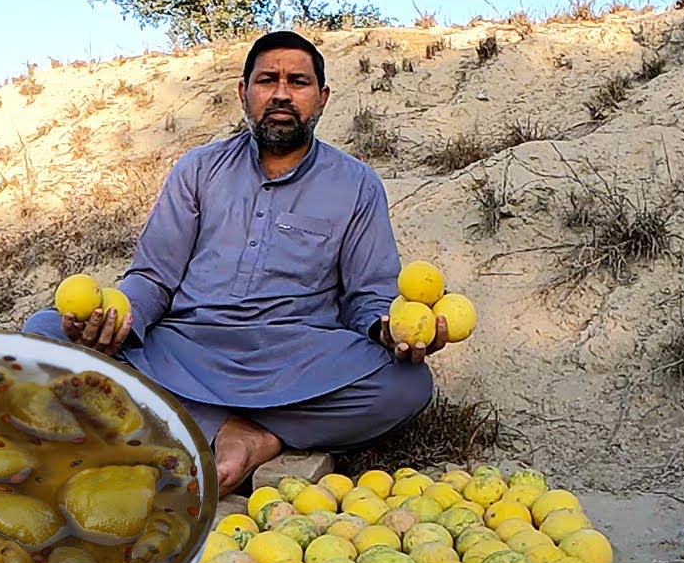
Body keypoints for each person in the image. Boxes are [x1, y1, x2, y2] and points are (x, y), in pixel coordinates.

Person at [22, 30, 448, 497]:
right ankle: (226, 428)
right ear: (243, 93)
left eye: (298, 82)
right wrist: (117, 322)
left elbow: (368, 296)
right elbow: (153, 277)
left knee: (406, 384)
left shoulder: (357, 184)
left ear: (322, 98)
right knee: (45, 333)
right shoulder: (198, 169)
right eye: (267, 80)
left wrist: (389, 330)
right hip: (188, 350)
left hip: (296, 358)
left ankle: (250, 435)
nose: (281, 94)